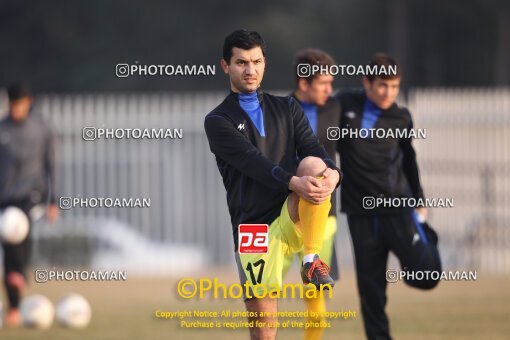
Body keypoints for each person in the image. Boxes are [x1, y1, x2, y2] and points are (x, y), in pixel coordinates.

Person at [204, 30, 342, 340]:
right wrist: (294, 181)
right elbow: (253, 162)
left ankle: (310, 259)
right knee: (264, 331)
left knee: (315, 166)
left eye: (256, 61)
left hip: (290, 213)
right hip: (253, 227)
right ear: (226, 66)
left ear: (265, 63)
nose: (250, 70)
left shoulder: (288, 108)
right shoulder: (217, 120)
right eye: (241, 62)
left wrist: (334, 174)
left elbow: (313, 148)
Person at [336, 54, 441, 340]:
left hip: (398, 208)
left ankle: (427, 237)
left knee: (426, 276)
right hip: (360, 215)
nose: (388, 93)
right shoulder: (344, 103)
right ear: (366, 82)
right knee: (371, 292)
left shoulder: (402, 116)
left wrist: (419, 201)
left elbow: (409, 160)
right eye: (382, 85)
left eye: (394, 87)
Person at [282, 48, 341, 340]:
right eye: (324, 84)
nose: (331, 90)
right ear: (304, 83)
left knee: (315, 292)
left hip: (323, 215)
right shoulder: (278, 111)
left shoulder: (337, 109)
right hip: (282, 216)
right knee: (265, 291)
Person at [0, 83, 59, 326]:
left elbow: (51, 165)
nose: (16, 111)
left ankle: (20, 273)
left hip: (31, 194)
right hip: (4, 196)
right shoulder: (2, 129)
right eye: (13, 106)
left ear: (28, 102)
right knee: (9, 245)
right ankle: (14, 306)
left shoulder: (42, 130)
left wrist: (53, 200)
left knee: (17, 228)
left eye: (20, 105)